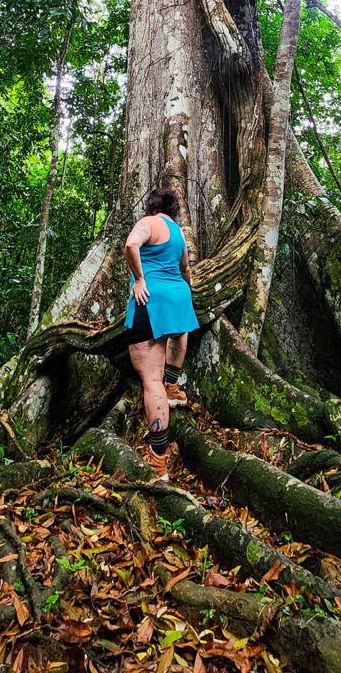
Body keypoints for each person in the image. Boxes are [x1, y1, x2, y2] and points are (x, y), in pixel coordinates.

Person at [124, 188, 199, 481]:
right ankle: (172, 385)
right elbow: (186, 270)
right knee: (180, 332)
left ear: (152, 206)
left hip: (149, 299)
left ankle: (158, 464)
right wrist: (185, 291)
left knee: (149, 380)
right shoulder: (179, 234)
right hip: (178, 295)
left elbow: (131, 245)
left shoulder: (150, 223)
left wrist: (140, 279)